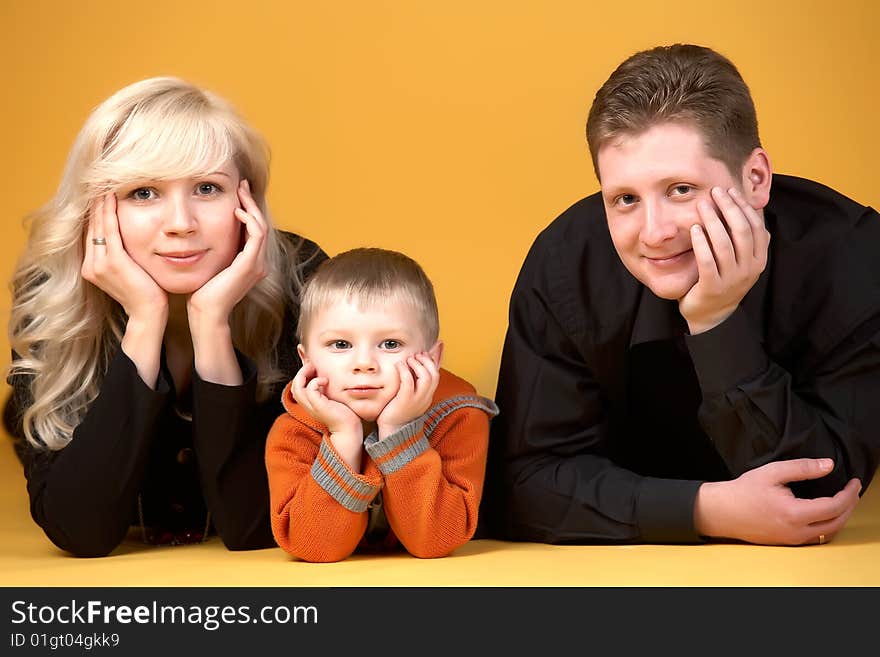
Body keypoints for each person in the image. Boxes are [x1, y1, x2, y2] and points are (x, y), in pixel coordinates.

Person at [479, 44, 880, 546]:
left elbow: (815, 498)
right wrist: (704, 511)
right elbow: (521, 488)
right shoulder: (567, 265)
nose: (653, 232)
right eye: (625, 198)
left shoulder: (854, 258)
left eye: (680, 190)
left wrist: (716, 323)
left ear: (755, 179)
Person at [4, 77, 327, 557]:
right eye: (143, 193)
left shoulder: (305, 283)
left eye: (206, 188)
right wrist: (145, 318)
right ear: (94, 209)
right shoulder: (52, 298)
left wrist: (213, 323)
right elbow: (79, 530)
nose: (180, 223)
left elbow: (258, 525)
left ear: (248, 203)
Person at [265, 248, 498, 562]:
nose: (364, 363)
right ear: (307, 361)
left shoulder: (458, 418)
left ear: (432, 359)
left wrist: (399, 431)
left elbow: (435, 542)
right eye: (340, 344)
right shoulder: (294, 432)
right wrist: (343, 438)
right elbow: (313, 548)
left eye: (390, 344)